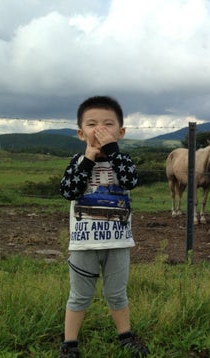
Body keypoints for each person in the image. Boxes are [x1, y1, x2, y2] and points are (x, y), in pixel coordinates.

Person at [59, 96, 149, 357]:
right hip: (83, 243)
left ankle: (126, 336)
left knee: (117, 293)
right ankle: (70, 343)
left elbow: (130, 181)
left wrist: (113, 152)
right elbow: (69, 190)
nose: (100, 129)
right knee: (79, 295)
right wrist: (88, 159)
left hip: (119, 241)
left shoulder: (123, 161)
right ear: (80, 132)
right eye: (92, 124)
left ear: (120, 132)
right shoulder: (77, 162)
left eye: (108, 124)